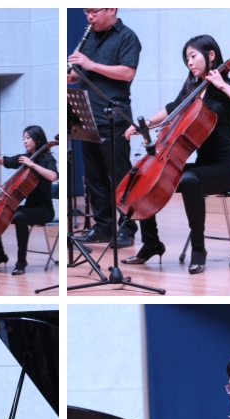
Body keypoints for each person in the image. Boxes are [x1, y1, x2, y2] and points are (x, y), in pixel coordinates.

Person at [124, 35, 230, 273]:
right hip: (202, 165)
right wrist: (144, 125)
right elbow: (171, 109)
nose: (190, 62)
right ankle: (151, 243)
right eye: (187, 58)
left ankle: (198, 248)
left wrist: (222, 85)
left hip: (228, 168)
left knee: (189, 180)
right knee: (144, 178)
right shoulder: (193, 90)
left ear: (211, 55)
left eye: (193, 56)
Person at [67, 8, 141, 247]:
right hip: (84, 114)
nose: (89, 16)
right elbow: (83, 73)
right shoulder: (89, 36)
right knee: (94, 176)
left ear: (111, 8)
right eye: (86, 11)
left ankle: (128, 227)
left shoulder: (127, 36)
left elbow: (127, 73)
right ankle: (103, 227)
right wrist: (73, 75)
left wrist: (91, 64)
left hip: (113, 116)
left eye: (94, 10)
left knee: (120, 175)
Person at [0, 125, 58, 275]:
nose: (25, 141)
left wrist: (32, 165)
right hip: (29, 207)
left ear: (37, 139)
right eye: (24, 138)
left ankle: (21, 261)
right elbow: (3, 160)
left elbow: (53, 176)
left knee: (20, 216)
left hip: (44, 210)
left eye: (28, 138)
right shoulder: (24, 158)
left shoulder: (47, 159)